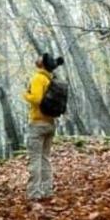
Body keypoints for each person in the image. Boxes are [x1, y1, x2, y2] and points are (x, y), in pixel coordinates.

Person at [23, 52, 64, 200]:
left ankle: (34, 193)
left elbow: (37, 99)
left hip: (37, 123)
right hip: (50, 124)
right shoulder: (50, 80)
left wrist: (24, 95)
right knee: (45, 158)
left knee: (35, 159)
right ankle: (47, 190)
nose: (38, 57)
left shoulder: (38, 78)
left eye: (40, 57)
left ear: (42, 64)